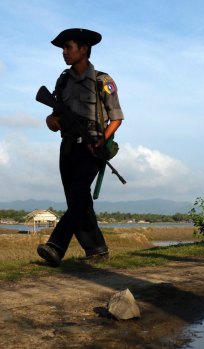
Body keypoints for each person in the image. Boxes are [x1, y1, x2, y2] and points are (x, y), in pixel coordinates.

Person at [37, 28, 124, 267]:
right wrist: (50, 121)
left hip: (92, 147)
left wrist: (100, 140)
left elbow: (116, 118)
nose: (64, 52)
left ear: (83, 49)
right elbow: (54, 117)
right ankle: (97, 249)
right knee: (79, 200)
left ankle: (56, 246)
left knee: (77, 197)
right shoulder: (63, 80)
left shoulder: (102, 81)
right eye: (63, 48)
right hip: (67, 147)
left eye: (69, 47)